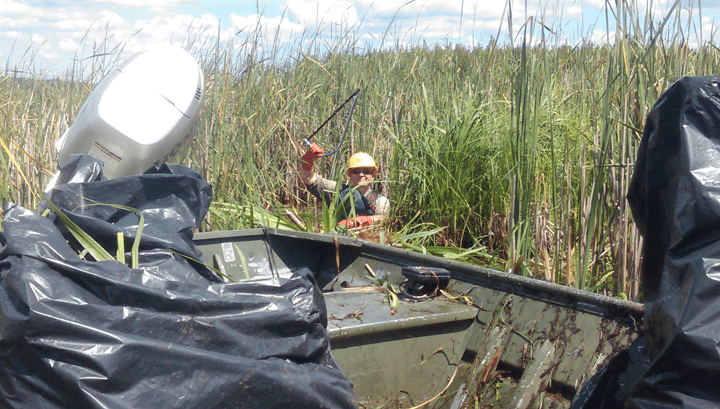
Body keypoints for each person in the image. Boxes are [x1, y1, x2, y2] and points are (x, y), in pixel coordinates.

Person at [299, 143, 389, 228]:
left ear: (373, 175)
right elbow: (310, 180)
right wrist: (307, 161)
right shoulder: (338, 190)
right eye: (356, 171)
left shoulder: (380, 201)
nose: (361, 174)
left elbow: (383, 219)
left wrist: (356, 221)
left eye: (366, 171)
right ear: (349, 174)